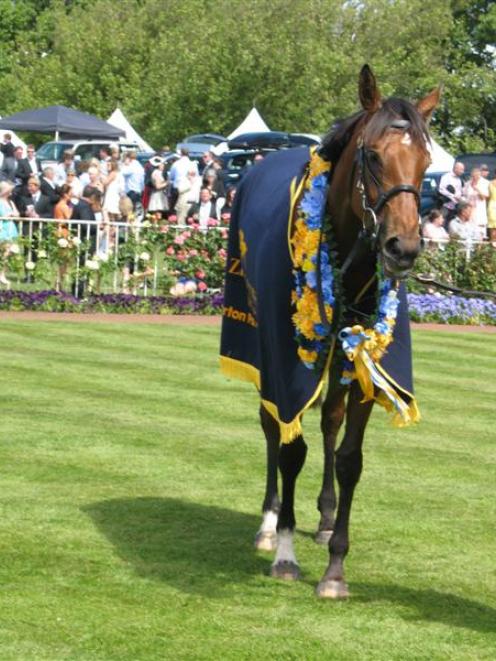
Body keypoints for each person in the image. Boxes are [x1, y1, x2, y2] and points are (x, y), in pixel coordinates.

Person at [0, 181, 19, 285]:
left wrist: (13, 214)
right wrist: (9, 215)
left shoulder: (10, 202)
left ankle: (2, 273)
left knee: (9, 252)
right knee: (5, 253)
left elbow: (17, 213)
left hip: (11, 229)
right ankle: (1, 275)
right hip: (3, 228)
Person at [462, 167, 489, 239]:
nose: (474, 178)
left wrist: (477, 189)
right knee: (470, 230)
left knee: (480, 231)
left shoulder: (485, 183)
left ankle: (479, 249)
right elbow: (464, 195)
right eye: (473, 176)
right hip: (469, 210)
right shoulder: (468, 183)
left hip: (479, 210)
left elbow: (484, 197)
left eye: (476, 176)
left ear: (479, 175)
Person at [487, 168, 496, 246]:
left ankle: (492, 245)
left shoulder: (490, 183)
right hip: (493, 206)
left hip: (492, 206)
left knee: (492, 229)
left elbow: (488, 196)